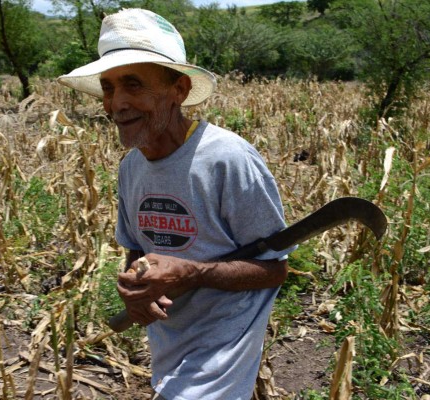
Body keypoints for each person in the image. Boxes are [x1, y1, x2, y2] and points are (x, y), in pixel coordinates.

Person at [57, 8, 296, 400]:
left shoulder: (226, 159)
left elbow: (274, 270)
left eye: (133, 85)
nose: (116, 104)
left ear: (180, 90)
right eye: (108, 87)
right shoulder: (132, 167)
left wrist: (193, 273)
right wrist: (136, 286)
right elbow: (138, 249)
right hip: (170, 340)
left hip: (224, 344)